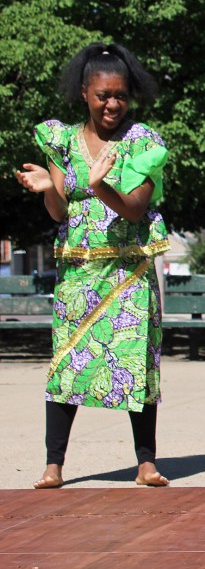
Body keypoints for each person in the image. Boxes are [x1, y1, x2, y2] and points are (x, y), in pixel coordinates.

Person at [14, 43, 171, 489]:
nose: (112, 104)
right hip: (78, 272)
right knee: (68, 361)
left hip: (129, 272)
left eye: (120, 94)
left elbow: (136, 209)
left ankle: (145, 463)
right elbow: (60, 211)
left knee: (135, 360)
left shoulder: (143, 142)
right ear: (85, 92)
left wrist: (99, 187)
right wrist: (49, 187)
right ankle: (54, 465)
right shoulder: (61, 140)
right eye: (103, 94)